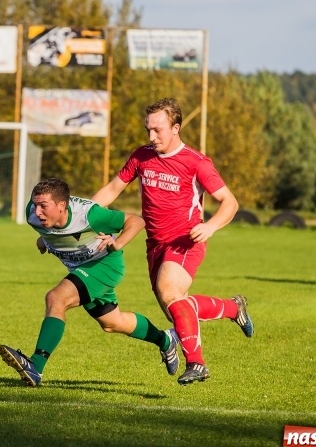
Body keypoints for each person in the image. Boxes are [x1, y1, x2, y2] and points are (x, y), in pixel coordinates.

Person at [92, 97, 254, 386]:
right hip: (154, 245)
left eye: (158, 130)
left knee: (170, 292)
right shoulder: (141, 156)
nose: (151, 137)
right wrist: (78, 219)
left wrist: (211, 226)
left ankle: (197, 363)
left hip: (185, 241)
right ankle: (233, 308)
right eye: (148, 130)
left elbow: (229, 202)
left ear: (176, 127)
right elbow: (112, 190)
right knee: (177, 309)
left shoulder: (196, 162)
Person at [0, 178, 180, 387]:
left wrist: (117, 242)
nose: (37, 211)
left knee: (56, 298)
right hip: (82, 270)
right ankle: (166, 340)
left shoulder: (90, 215)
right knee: (112, 323)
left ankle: (36, 366)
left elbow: (137, 221)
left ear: (62, 206)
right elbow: (54, 230)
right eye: (35, 204)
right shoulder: (33, 214)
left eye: (43, 206)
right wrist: (45, 239)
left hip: (105, 266)